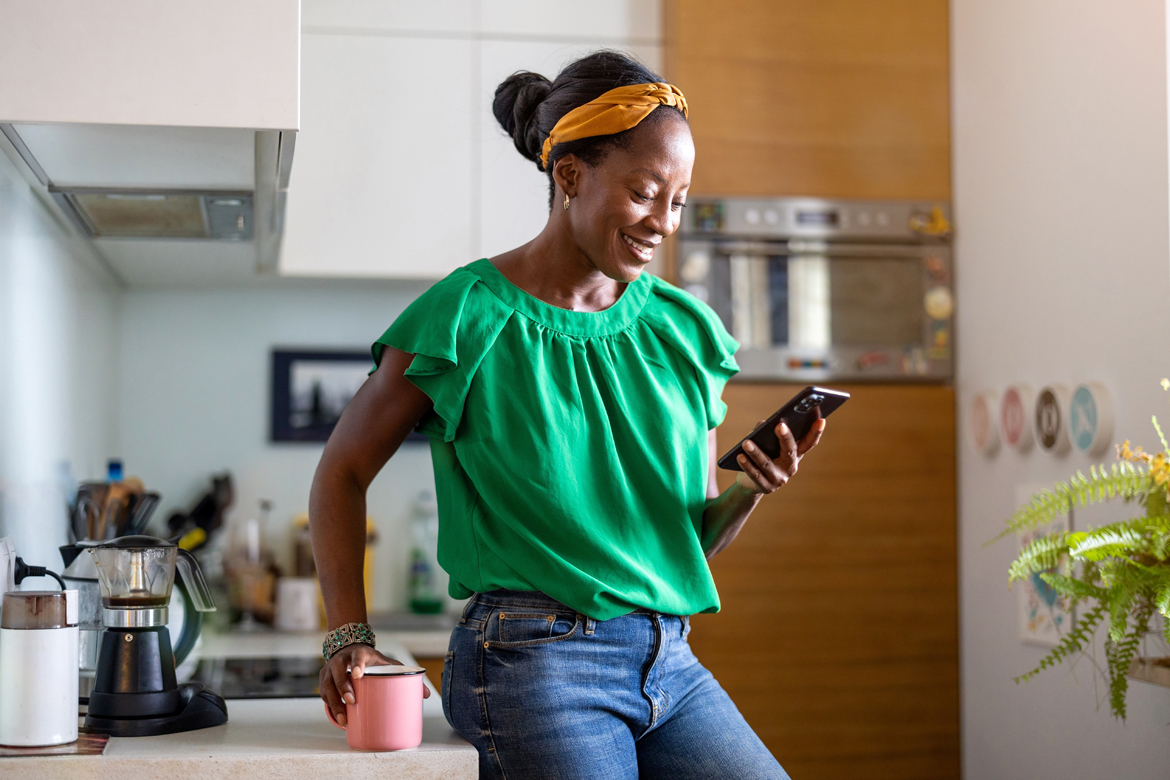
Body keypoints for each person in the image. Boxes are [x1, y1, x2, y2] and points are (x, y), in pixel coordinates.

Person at [310, 50, 826, 780]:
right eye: (646, 192)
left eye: (678, 201)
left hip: (667, 660)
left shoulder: (685, 332)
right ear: (570, 175)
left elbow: (687, 541)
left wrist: (751, 486)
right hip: (530, 660)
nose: (663, 223)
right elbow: (342, 470)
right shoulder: (468, 315)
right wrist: (347, 635)